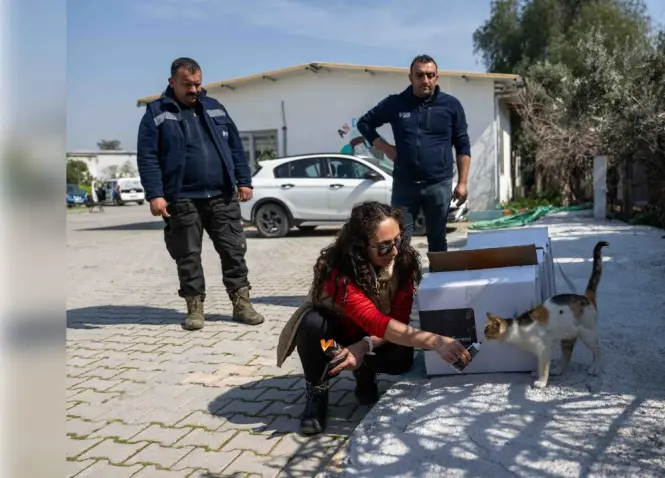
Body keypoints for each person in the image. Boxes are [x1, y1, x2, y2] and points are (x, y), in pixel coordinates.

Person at [275, 201, 473, 435]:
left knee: (402, 356)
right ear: (360, 246)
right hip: (332, 342)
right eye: (384, 246)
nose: (395, 251)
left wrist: (363, 346)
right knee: (311, 324)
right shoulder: (334, 270)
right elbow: (373, 320)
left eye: (398, 240)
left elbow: (397, 320)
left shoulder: (404, 263)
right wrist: (436, 341)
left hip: (371, 337)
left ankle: (365, 371)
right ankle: (317, 392)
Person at [136, 57, 264, 331]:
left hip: (221, 195)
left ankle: (241, 304)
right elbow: (147, 156)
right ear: (172, 82)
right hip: (181, 198)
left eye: (197, 83)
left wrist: (244, 180)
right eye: (187, 85)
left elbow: (235, 148)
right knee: (188, 255)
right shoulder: (157, 112)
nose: (194, 89)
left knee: (233, 250)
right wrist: (154, 194)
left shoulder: (215, 108)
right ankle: (195, 309)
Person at [356, 54, 471, 253]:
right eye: (419, 75)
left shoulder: (451, 106)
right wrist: (385, 147)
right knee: (399, 242)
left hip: (438, 184)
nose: (425, 80)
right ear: (411, 78)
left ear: (437, 77)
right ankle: (404, 284)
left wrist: (462, 183)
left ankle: (439, 282)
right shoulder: (395, 104)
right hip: (405, 185)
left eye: (429, 75)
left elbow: (463, 145)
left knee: (438, 240)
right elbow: (364, 123)